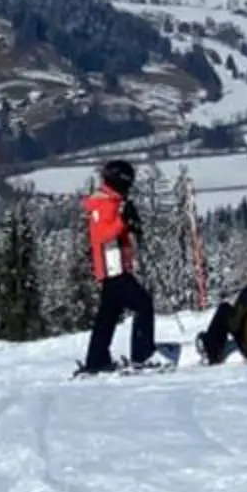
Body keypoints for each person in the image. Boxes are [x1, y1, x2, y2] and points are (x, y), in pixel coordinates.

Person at [79, 158, 158, 374]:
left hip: (116, 266)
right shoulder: (102, 203)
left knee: (108, 316)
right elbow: (101, 234)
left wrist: (132, 225)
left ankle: (96, 360)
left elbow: (118, 231)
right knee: (143, 305)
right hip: (111, 267)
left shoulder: (114, 202)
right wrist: (123, 220)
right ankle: (142, 356)